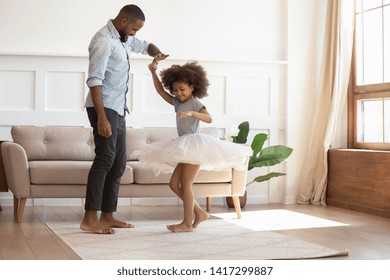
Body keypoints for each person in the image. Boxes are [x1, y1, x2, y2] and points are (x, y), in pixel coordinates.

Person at [81, 4, 168, 234]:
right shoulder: (103, 41)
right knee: (105, 159)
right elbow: (94, 80)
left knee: (118, 163)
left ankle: (107, 216)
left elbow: (144, 45)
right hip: (103, 107)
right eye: (134, 29)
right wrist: (101, 117)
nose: (135, 34)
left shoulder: (124, 37)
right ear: (123, 22)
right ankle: (89, 218)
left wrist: (157, 52)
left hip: (119, 108)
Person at [139, 58, 250, 232]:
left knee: (186, 184)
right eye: (175, 90)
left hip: (194, 145)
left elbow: (209, 118)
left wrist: (193, 112)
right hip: (183, 146)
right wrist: (153, 71)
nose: (178, 93)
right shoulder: (177, 103)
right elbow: (161, 91)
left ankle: (187, 223)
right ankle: (199, 213)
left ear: (192, 87)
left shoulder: (196, 103)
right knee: (174, 184)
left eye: (182, 89)